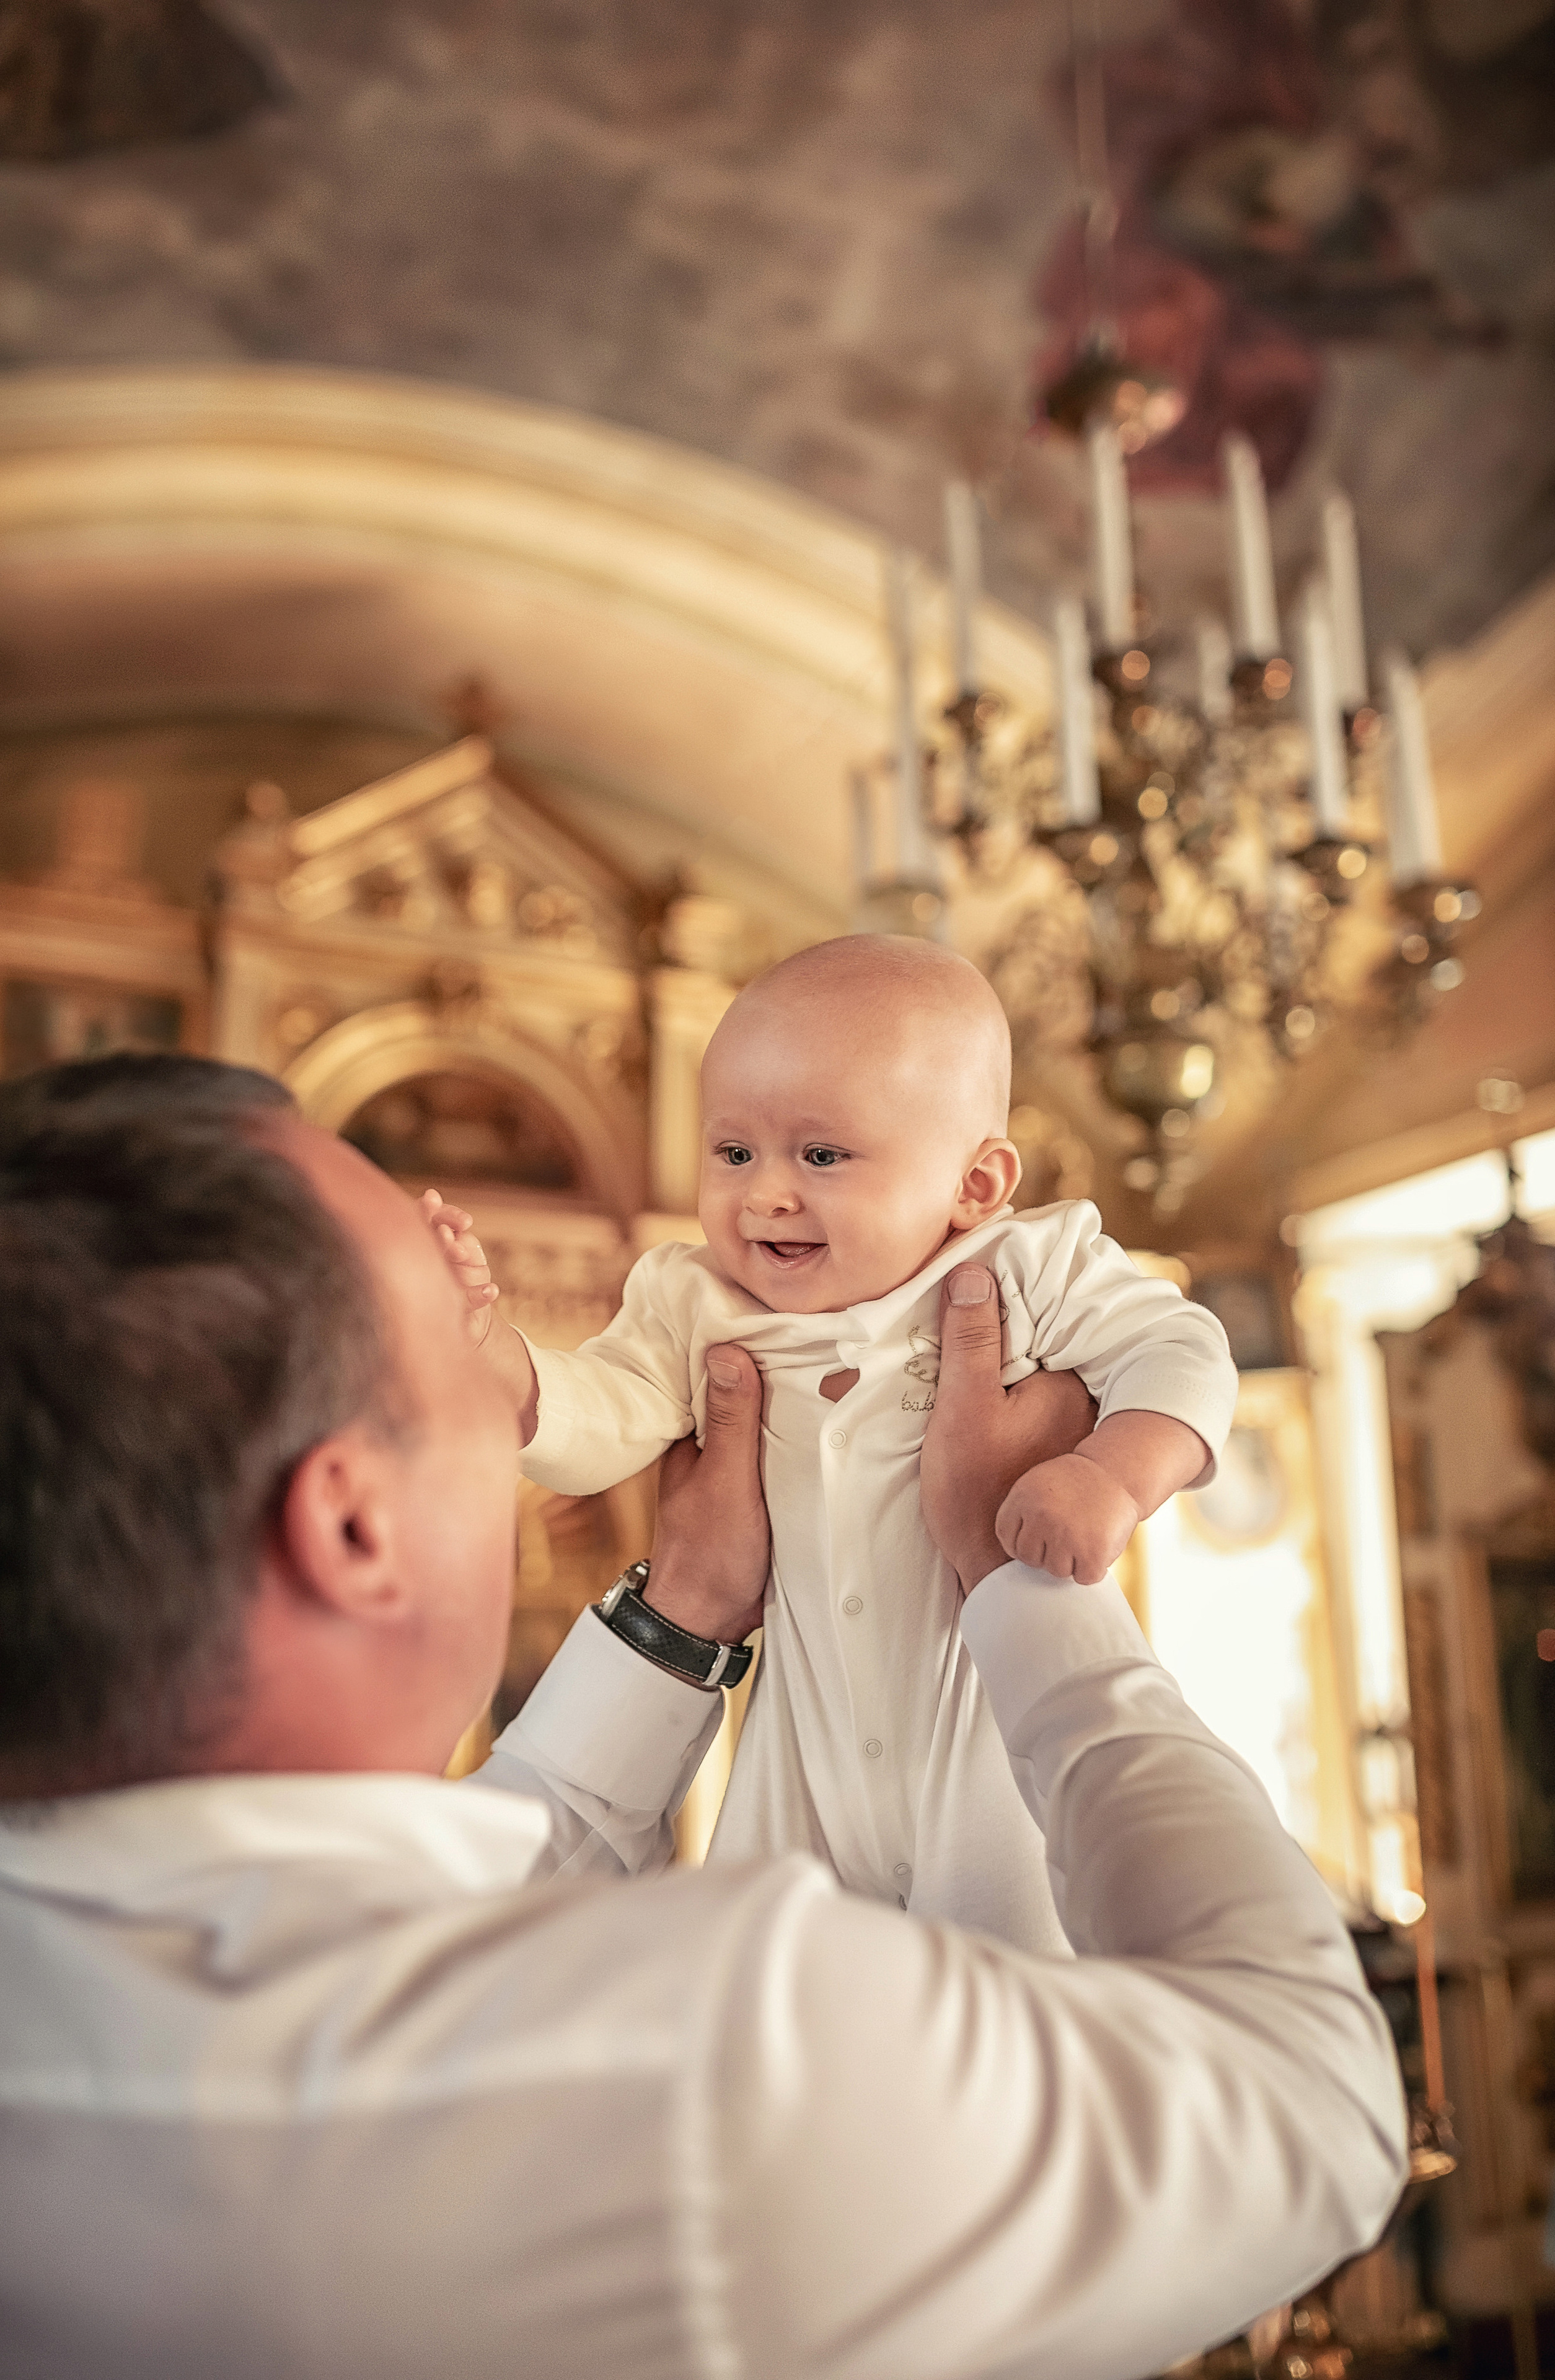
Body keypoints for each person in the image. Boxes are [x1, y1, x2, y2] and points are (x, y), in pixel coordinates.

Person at [0, 1054, 1405, 2380]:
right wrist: (1023, 1593)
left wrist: (680, 1619)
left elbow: (460, 1904)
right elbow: (1314, 2107)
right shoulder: (710, 2058)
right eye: (456, 1360)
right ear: (354, 1526)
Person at [428, 933, 1238, 1949]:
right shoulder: (695, 1300)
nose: (765, 1194)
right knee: (771, 1969)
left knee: (1021, 1969)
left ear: (976, 1184)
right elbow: (606, 1416)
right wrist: (498, 1363)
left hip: (984, 1736)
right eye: (734, 1153)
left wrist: (1112, 1475)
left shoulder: (1030, 1267)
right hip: (798, 1754)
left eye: (821, 1156)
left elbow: (1182, 1351)